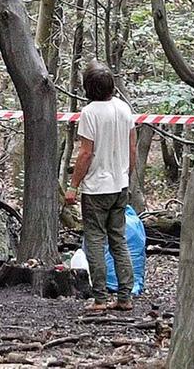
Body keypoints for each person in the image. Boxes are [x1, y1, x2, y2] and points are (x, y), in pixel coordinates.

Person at [66, 64, 138, 313]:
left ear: (88, 87)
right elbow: (132, 148)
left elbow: (86, 153)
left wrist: (73, 186)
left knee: (95, 241)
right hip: (120, 185)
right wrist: (126, 175)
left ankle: (99, 298)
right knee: (119, 241)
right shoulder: (123, 108)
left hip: (97, 188)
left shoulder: (90, 113)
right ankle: (125, 296)